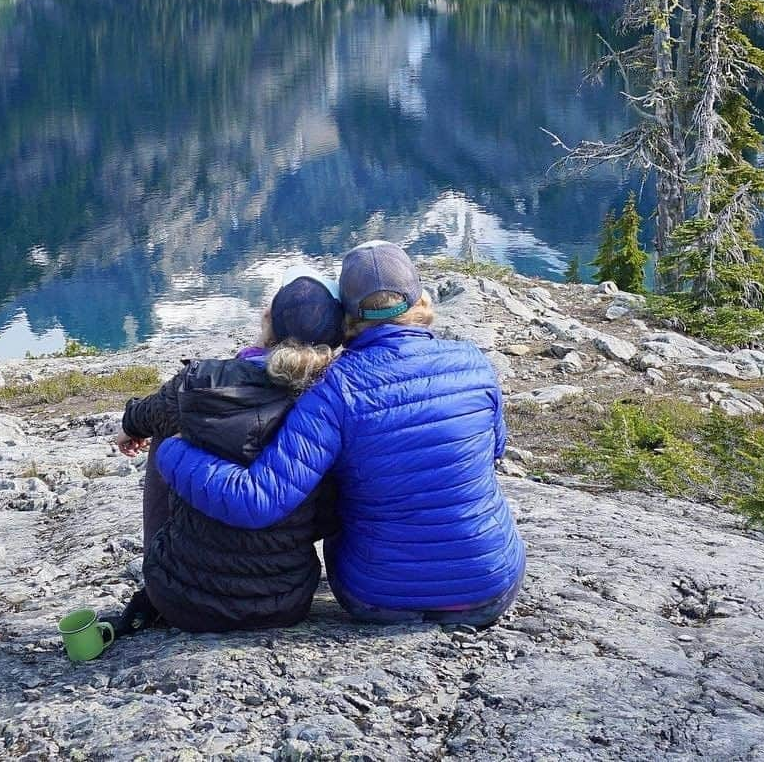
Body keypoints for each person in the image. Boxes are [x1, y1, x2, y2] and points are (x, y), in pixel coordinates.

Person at [157, 241, 525, 627]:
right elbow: (494, 449)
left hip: (379, 598)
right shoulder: (474, 364)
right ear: (421, 301)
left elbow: (260, 499)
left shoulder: (334, 389)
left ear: (346, 319)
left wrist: (171, 451)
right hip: (489, 587)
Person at [113, 266, 344, 634]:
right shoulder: (334, 395)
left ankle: (159, 570)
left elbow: (146, 414)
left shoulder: (203, 381)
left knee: (166, 431)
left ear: (269, 321)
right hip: (287, 601)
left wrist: (130, 427)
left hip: (182, 602)